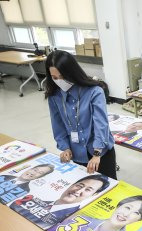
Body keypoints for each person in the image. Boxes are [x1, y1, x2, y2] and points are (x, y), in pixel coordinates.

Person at [45, 50, 117, 179]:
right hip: (76, 152)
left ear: (71, 73)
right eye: (55, 78)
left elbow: (101, 124)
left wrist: (97, 153)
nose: (59, 81)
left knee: (108, 186)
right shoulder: (54, 96)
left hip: (100, 152)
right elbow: (57, 124)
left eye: (62, 76)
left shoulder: (94, 92)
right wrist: (65, 148)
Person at [9, 174, 110, 228]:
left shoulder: (72, 220)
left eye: (88, 190)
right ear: (72, 184)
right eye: (79, 185)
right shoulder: (32, 200)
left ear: (94, 195)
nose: (78, 191)